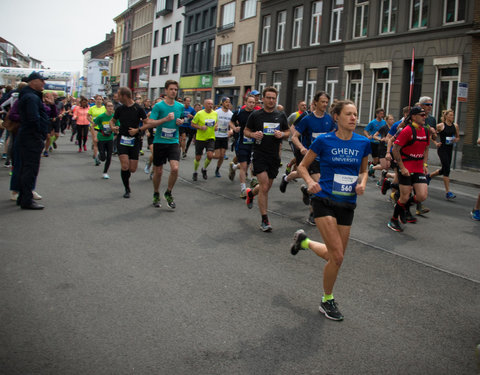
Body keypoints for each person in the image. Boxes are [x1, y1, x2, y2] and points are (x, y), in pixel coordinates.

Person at [290, 100, 370, 321]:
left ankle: (304, 242)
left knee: (336, 256)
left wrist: (363, 183)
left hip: (348, 203)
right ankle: (327, 300)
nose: (354, 118)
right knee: (337, 255)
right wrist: (309, 182)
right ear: (337, 117)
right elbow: (302, 166)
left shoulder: (363, 142)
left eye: (355, 114)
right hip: (324, 200)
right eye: (349, 114)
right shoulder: (324, 141)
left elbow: (364, 170)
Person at [244, 87, 289, 232]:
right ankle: (264, 220)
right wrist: (253, 135)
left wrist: (282, 134)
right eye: (268, 98)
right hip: (259, 154)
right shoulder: (256, 115)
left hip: (274, 156)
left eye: (273, 98)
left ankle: (251, 193)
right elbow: (246, 130)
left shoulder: (281, 115)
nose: (271, 100)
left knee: (266, 187)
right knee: (264, 187)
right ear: (262, 99)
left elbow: (288, 132)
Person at [139, 80, 184, 209]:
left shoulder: (179, 106)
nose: (173, 91)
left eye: (175, 89)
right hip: (159, 141)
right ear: (166, 91)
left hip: (173, 141)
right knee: (158, 172)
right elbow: (150, 122)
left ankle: (168, 192)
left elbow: (179, 120)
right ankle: (156, 193)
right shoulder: (159, 107)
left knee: (175, 168)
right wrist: (165, 119)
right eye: (171, 89)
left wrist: (180, 121)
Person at [388, 106, 430, 232]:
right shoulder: (406, 130)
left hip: (418, 168)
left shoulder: (426, 131)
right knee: (404, 197)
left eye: (425, 115)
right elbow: (395, 149)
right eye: (421, 115)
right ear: (413, 116)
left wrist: (425, 164)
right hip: (406, 167)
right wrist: (402, 167)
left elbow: (426, 148)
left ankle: (404, 208)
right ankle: (394, 219)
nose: (424, 117)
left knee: (422, 196)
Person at [16, 72, 50, 209]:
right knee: (30, 169)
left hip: (27, 136)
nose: (44, 83)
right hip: (31, 137)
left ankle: (23, 196)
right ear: (33, 81)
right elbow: (33, 118)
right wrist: (40, 134)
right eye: (41, 80)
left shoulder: (29, 95)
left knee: (25, 168)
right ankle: (27, 200)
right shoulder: (31, 97)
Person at [110, 86, 147, 198]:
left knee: (132, 169)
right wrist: (113, 127)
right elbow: (112, 120)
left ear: (124, 96)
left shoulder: (138, 108)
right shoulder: (120, 109)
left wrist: (138, 130)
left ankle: (126, 178)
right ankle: (127, 188)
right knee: (125, 166)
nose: (117, 97)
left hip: (134, 140)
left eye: (119, 95)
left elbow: (146, 123)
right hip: (122, 139)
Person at [427, 109, 459, 200]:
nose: (452, 117)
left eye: (453, 115)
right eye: (450, 115)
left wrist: (455, 140)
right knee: (447, 169)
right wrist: (436, 143)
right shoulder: (440, 126)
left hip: (449, 149)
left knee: (445, 168)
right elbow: (432, 135)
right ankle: (448, 192)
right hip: (442, 149)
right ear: (446, 116)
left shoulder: (455, 126)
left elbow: (458, 137)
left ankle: (429, 176)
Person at [228, 94, 256, 197]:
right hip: (241, 143)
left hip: (253, 143)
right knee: (244, 166)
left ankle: (234, 167)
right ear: (245, 102)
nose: (252, 104)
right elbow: (231, 122)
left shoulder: (256, 114)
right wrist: (234, 128)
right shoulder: (239, 112)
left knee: (249, 164)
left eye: (253, 102)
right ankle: (243, 189)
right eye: (250, 102)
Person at [191, 99, 218, 181]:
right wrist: (200, 127)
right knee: (198, 157)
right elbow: (192, 124)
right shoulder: (199, 114)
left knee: (210, 155)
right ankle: (195, 172)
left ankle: (204, 169)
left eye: (212, 104)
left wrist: (216, 126)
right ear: (204, 105)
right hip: (200, 138)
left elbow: (216, 122)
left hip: (211, 137)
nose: (210, 105)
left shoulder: (215, 113)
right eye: (209, 104)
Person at [93, 101, 117, 179]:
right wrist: (95, 136)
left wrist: (116, 130)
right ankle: (99, 155)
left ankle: (105, 172)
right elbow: (93, 126)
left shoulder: (114, 117)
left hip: (110, 138)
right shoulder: (101, 117)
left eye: (112, 106)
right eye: (109, 106)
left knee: (109, 156)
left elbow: (118, 126)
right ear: (106, 107)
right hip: (101, 138)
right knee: (103, 158)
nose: (110, 108)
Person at [213, 97, 233, 177]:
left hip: (225, 136)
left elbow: (232, 124)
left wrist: (231, 130)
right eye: (226, 102)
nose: (228, 104)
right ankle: (209, 156)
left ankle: (217, 170)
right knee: (217, 155)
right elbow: (212, 121)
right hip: (217, 135)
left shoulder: (231, 114)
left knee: (222, 155)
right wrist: (214, 126)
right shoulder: (216, 112)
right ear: (222, 103)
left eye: (229, 102)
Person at [364, 108, 386, 173]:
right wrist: (368, 136)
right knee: (376, 160)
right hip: (373, 142)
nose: (382, 115)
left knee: (380, 159)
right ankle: (372, 166)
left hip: (381, 143)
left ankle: (372, 166)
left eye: (383, 114)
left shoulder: (384, 122)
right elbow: (365, 130)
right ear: (377, 114)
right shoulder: (372, 122)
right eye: (381, 114)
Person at [87, 95, 106, 166]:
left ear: (102, 100)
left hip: (103, 127)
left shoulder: (104, 108)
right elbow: (88, 116)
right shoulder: (92, 108)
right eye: (97, 99)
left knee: (102, 142)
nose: (99, 100)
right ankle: (96, 158)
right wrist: (92, 122)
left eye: (100, 99)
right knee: (95, 141)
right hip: (94, 127)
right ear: (95, 100)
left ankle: (100, 153)